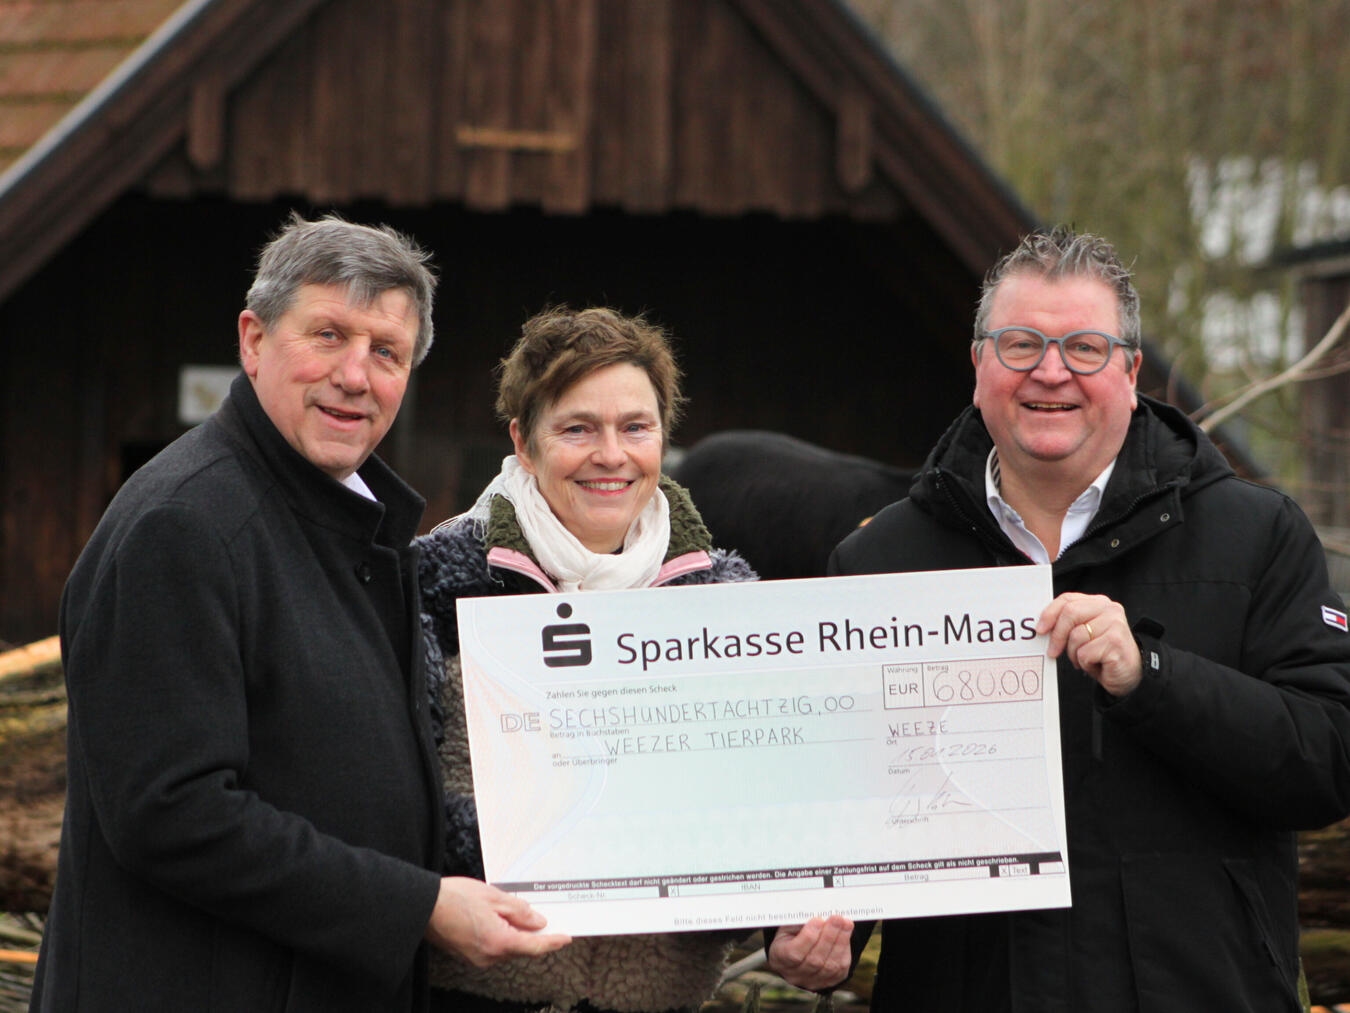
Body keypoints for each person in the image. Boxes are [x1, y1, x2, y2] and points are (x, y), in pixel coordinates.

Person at [771, 226, 1350, 1011]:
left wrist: (1155, 677)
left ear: (1132, 369)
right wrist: (816, 933)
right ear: (979, 364)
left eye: (1084, 347)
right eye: (1020, 345)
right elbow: (839, 806)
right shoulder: (880, 562)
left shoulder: (1257, 535)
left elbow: (1329, 757)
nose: (1050, 372)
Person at [31, 213, 567, 1012]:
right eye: (327, 335)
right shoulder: (184, 525)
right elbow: (172, 814)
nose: (356, 375)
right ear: (253, 340)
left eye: (386, 352)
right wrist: (417, 906)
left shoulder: (342, 518)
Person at [417, 305, 759, 1013]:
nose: (611, 453)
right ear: (523, 439)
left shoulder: (728, 602)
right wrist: (560, 839)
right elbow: (390, 793)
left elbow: (761, 809)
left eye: (636, 426)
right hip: (474, 995)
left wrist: (792, 920)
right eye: (577, 428)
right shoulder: (435, 581)